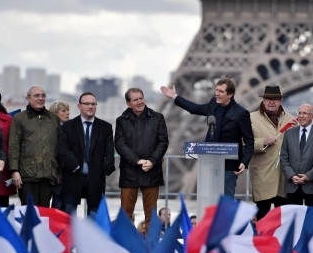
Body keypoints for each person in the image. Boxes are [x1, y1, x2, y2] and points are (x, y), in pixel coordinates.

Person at [160, 77, 254, 198]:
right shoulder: (212, 104)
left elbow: (249, 140)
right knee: (209, 197)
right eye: (216, 90)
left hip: (229, 164)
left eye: (221, 91)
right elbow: (194, 108)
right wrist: (175, 97)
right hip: (209, 161)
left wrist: (244, 162)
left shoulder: (241, 113)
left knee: (226, 199)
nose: (217, 94)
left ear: (230, 94)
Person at [115, 88, 168, 227]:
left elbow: (163, 142)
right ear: (128, 103)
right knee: (126, 214)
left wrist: (152, 161)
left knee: (151, 214)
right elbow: (120, 145)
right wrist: (137, 161)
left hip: (151, 170)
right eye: (135, 100)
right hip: (130, 171)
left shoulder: (158, 118)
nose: (139, 102)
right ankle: (124, 246)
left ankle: (150, 247)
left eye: (141, 98)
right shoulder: (121, 121)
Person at [58, 93, 115, 216]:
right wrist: (76, 166)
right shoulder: (68, 126)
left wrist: (103, 171)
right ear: (79, 106)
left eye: (93, 104)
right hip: (72, 176)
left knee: (94, 219)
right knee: (69, 217)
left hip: (96, 178)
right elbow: (62, 149)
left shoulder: (106, 127)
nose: (90, 106)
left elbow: (110, 152)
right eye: (87, 104)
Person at [249, 86, 296, 220]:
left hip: (284, 177)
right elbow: (242, 144)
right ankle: (262, 241)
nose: (271, 102)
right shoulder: (250, 118)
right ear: (263, 100)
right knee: (262, 217)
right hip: (263, 176)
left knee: (283, 220)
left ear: (280, 101)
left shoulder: (291, 120)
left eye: (275, 99)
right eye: (268, 99)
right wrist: (261, 142)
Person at [9, 86, 60, 207]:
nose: (40, 98)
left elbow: (59, 146)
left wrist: (59, 172)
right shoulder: (19, 119)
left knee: (44, 213)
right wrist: (14, 170)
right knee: (28, 213)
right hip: (27, 175)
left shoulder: (54, 118)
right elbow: (14, 146)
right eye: (36, 96)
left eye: (43, 96)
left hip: (48, 175)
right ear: (28, 98)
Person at [280, 104, 313, 207]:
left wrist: (309, 176)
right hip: (292, 185)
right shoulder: (289, 133)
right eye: (299, 113)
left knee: (311, 219)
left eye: (305, 113)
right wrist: (292, 175)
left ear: (312, 116)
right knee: (294, 220)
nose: (301, 116)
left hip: (312, 185)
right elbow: (283, 157)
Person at [50, 100, 70, 211]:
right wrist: (57, 171)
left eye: (68, 111)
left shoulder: (69, 128)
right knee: (58, 202)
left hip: (68, 172)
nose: (67, 113)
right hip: (57, 171)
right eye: (64, 111)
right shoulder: (53, 130)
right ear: (55, 113)